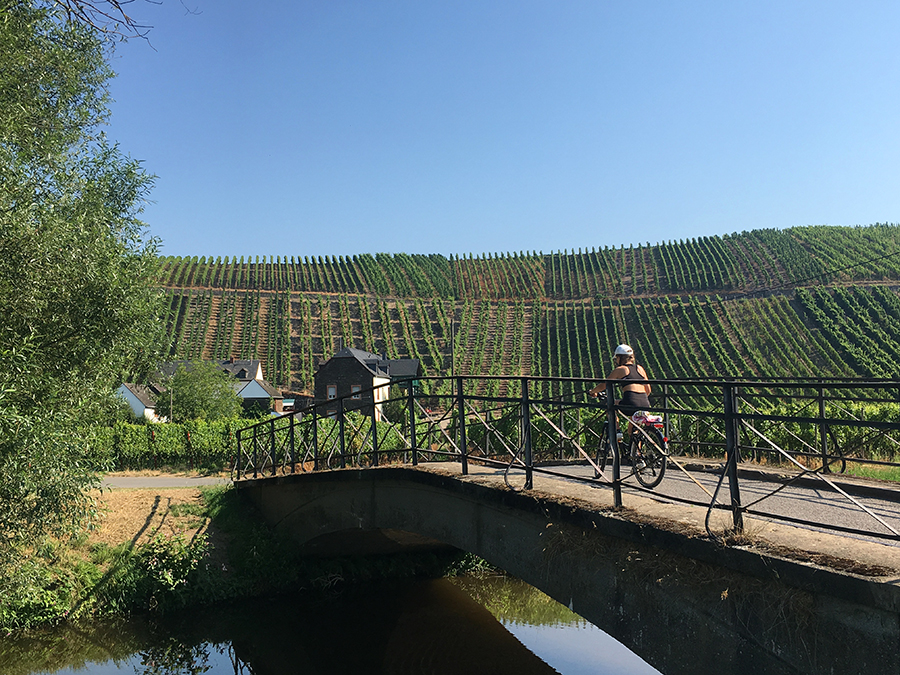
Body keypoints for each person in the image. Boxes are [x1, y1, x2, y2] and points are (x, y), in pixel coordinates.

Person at [588, 344, 652, 439]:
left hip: (630, 403)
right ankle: (636, 452)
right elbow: (648, 390)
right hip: (645, 404)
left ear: (620, 357)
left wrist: (592, 391)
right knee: (634, 431)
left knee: (609, 404)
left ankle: (617, 430)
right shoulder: (640, 369)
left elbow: (604, 384)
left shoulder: (620, 369)